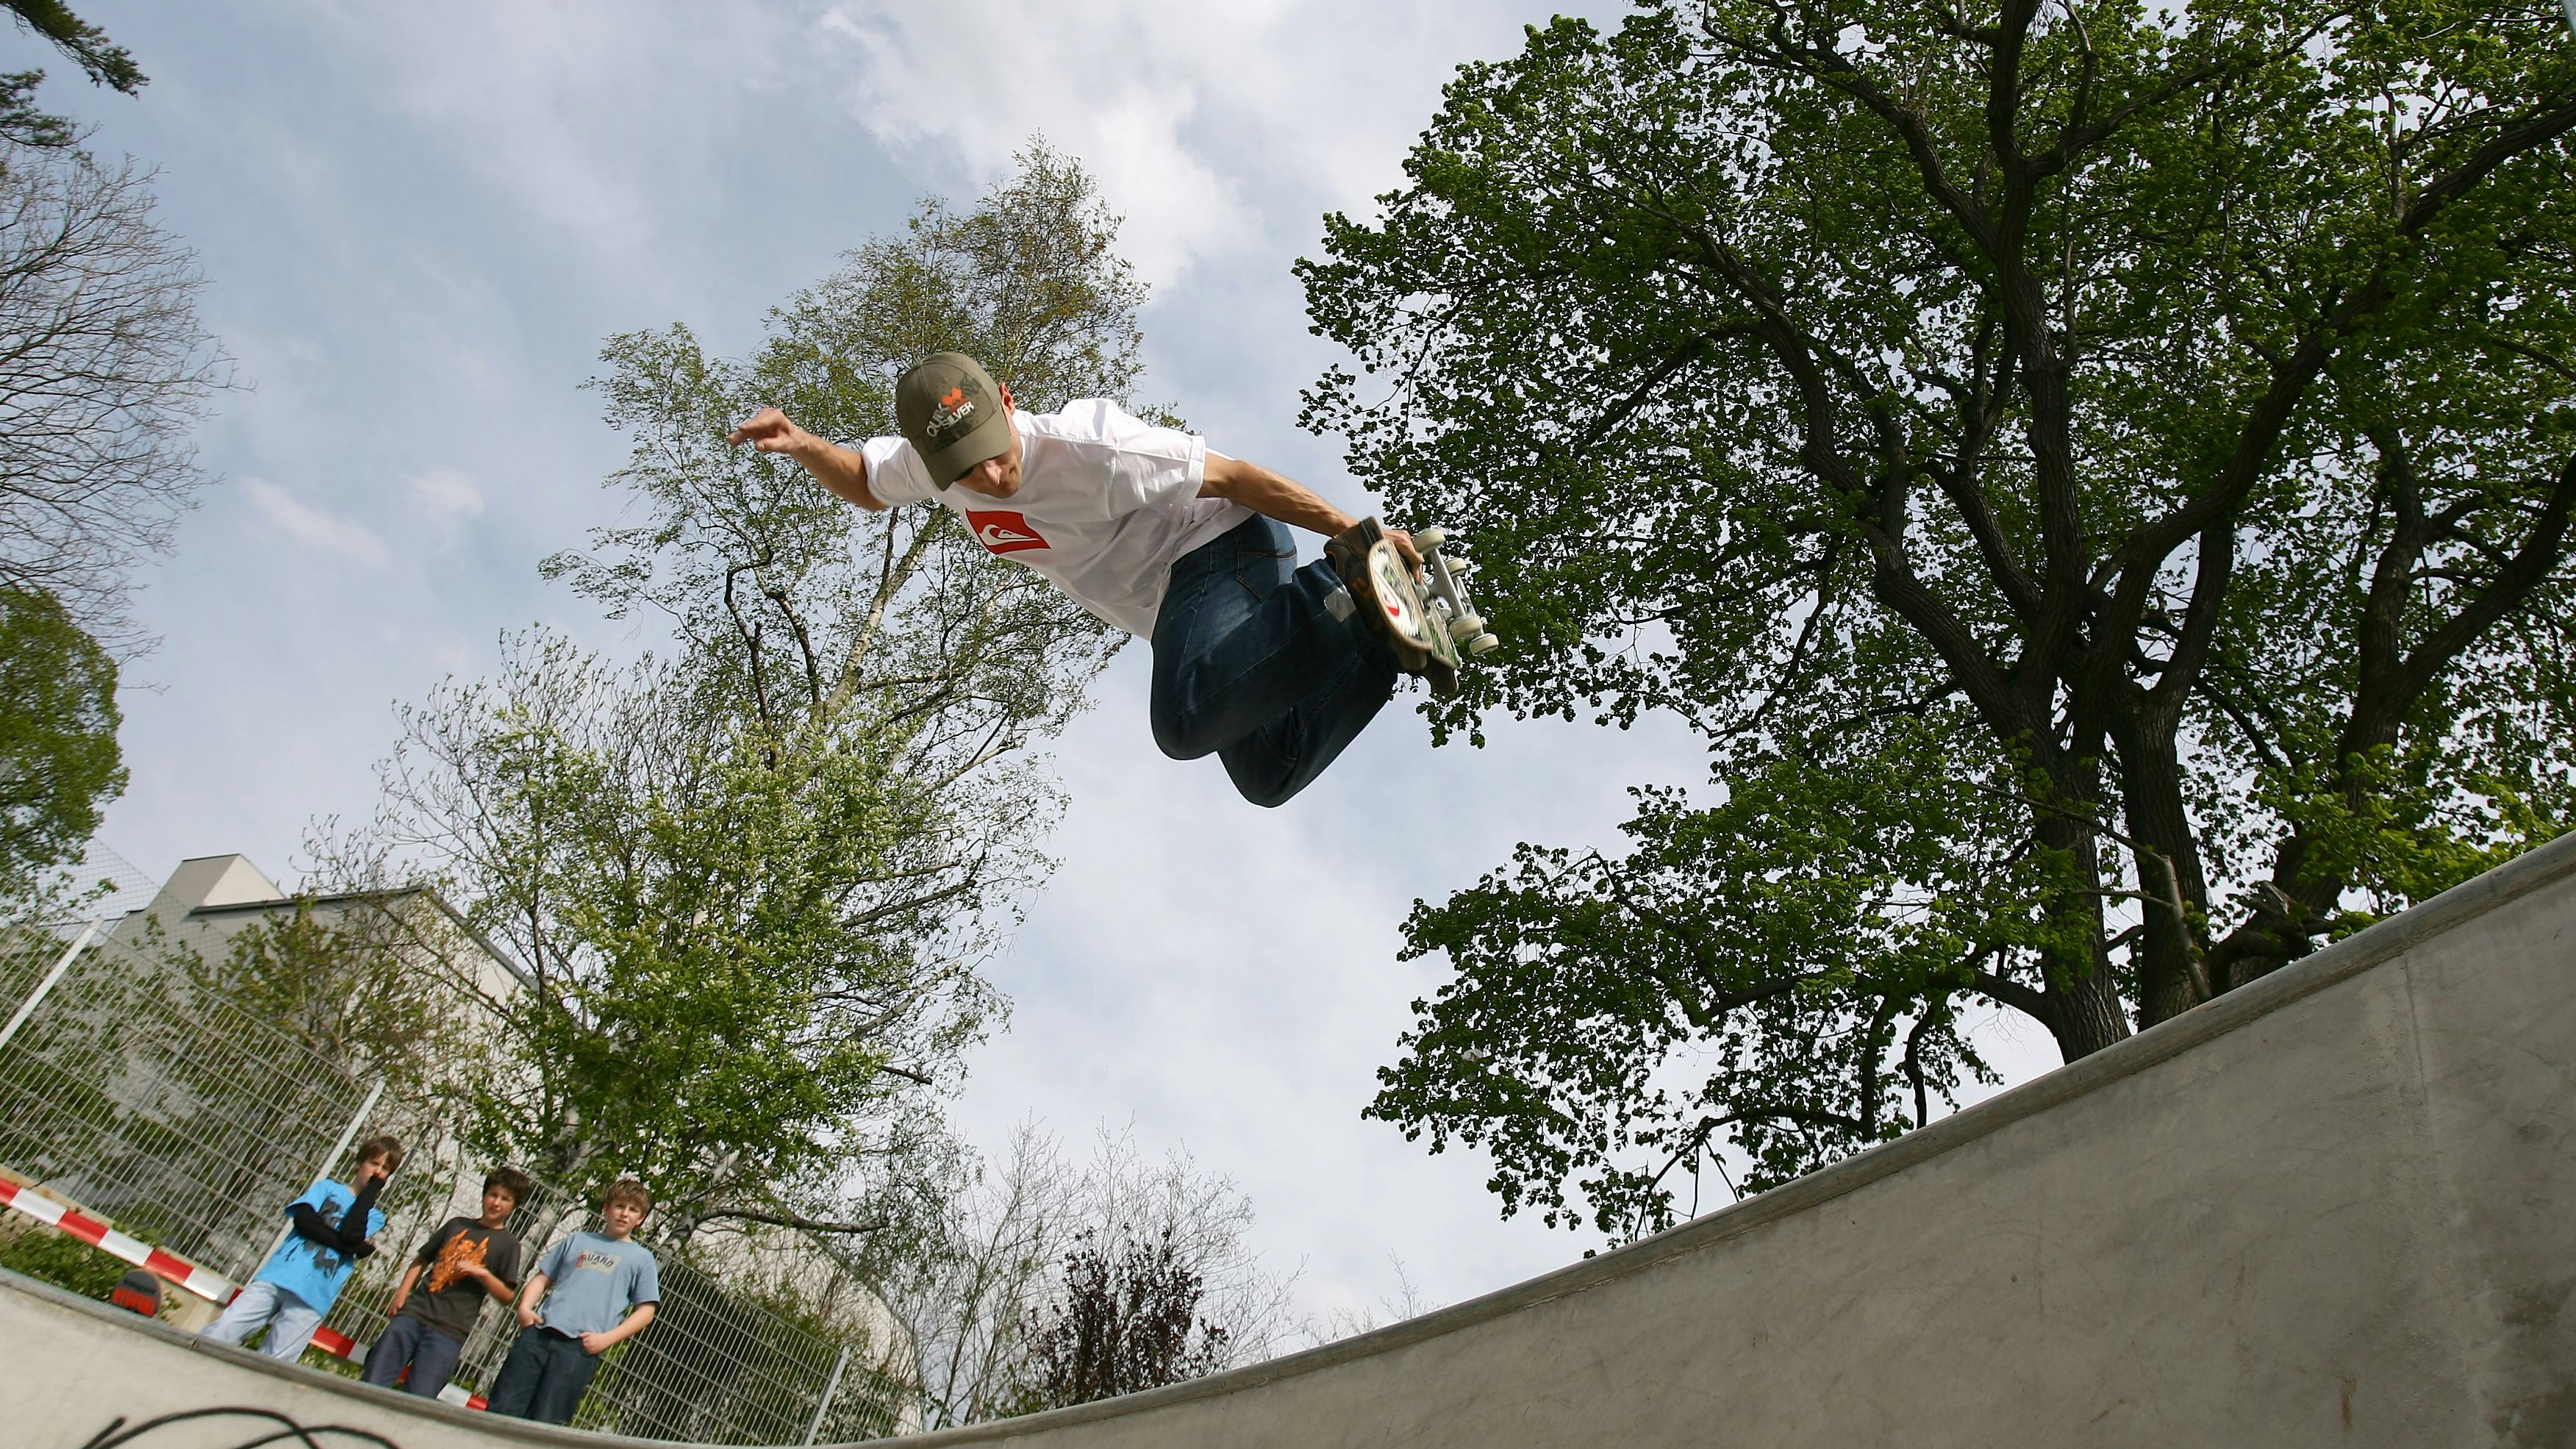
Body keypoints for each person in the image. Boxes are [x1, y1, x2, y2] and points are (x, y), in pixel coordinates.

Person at [728, 351, 1448, 808]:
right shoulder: (930, 463)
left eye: (993, 452)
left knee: (1186, 717)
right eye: (963, 469)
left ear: (1007, 402)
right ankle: (1388, 643)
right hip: (1175, 601)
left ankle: (1345, 587)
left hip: (1222, 551)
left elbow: (1236, 475)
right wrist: (801, 444)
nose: (988, 477)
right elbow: (864, 479)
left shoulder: (1094, 447)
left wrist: (1353, 536)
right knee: (1273, 769)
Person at [200, 1134, 401, 1362]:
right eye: (374, 1163)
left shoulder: (374, 1216)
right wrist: (350, 1248)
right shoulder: (327, 1189)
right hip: (281, 1275)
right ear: (359, 1163)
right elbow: (304, 1221)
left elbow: (350, 1233)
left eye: (385, 1169)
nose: (377, 1172)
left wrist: (369, 1194)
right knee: (224, 1329)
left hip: (315, 1292)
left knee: (276, 1360)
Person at [486, 1178, 661, 1425]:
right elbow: (542, 1278)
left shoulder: (642, 1259)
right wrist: (525, 1308)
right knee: (502, 1409)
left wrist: (605, 1340)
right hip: (539, 1334)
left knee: (547, 1422)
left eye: (633, 1210)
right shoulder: (578, 1240)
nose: (625, 1214)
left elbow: (646, 1313)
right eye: (620, 1206)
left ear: (640, 1219)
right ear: (607, 1208)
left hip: (579, 1349)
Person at [360, 1167, 534, 1399]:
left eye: (505, 1199)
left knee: (419, 1397)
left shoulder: (509, 1245)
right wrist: (402, 1293)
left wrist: (481, 1273)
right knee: (374, 1379)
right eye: (493, 1195)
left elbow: (506, 1296)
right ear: (484, 1195)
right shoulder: (457, 1225)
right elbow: (421, 1260)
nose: (496, 1203)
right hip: (414, 1314)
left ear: (514, 1205)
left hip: (449, 1330)